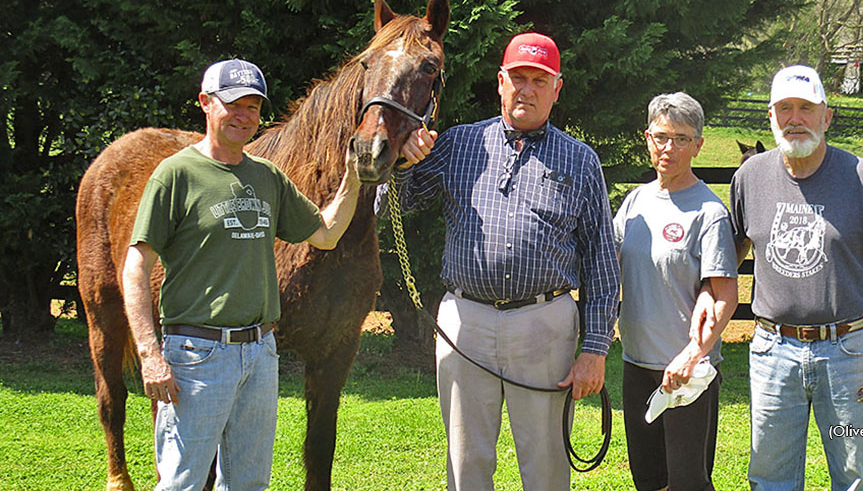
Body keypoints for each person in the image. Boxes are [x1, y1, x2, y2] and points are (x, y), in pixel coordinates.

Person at [391, 32, 620, 490]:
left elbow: (601, 261)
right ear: (500, 82)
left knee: (546, 463)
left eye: (540, 80)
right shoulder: (458, 143)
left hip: (545, 322)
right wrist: (404, 161)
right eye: (518, 77)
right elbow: (404, 201)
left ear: (557, 88)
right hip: (465, 321)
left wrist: (594, 348)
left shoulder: (580, 160)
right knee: (467, 459)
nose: (527, 89)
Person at [122, 58, 360, 491]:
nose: (243, 116)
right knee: (182, 481)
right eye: (232, 104)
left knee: (249, 483)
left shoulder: (266, 176)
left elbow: (324, 234)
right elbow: (136, 265)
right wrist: (149, 354)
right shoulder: (175, 175)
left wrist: (355, 178)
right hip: (197, 353)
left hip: (259, 354)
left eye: (252, 107)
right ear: (205, 104)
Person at [720, 65, 863, 491]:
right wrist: (701, 323)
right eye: (784, 108)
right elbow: (729, 259)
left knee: (850, 476)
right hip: (773, 350)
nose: (795, 118)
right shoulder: (748, 179)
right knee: (770, 478)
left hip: (849, 350)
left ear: (827, 116)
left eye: (806, 108)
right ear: (770, 118)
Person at [614, 92, 739, 491]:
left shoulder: (709, 212)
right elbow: (606, 265)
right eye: (661, 137)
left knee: (688, 484)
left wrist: (692, 355)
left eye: (682, 139)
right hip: (636, 365)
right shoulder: (635, 202)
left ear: (698, 145)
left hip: (688, 374)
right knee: (648, 479)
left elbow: (724, 296)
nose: (669, 148)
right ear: (647, 138)